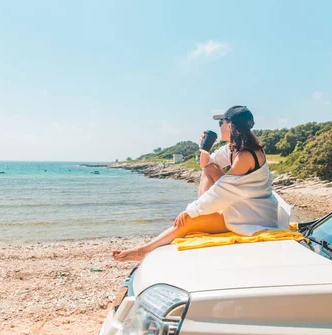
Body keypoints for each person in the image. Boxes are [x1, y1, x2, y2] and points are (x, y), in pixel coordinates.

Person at [113, 105, 279, 262]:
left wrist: (192, 210)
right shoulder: (234, 148)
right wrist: (205, 148)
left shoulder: (245, 155)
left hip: (254, 218)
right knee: (211, 168)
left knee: (187, 221)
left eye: (221, 122)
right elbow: (206, 165)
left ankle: (143, 251)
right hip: (245, 208)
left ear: (230, 125)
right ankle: (201, 215)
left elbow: (223, 190)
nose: (219, 125)